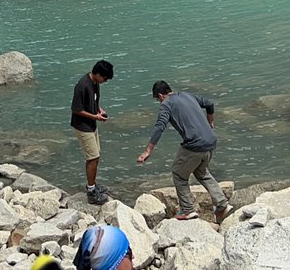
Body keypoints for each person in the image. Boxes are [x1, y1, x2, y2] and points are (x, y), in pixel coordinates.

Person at [136, 80, 231, 222]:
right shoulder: (188, 95)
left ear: (161, 95)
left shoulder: (166, 104)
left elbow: (159, 126)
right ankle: (222, 203)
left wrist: (148, 150)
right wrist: (210, 121)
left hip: (195, 145)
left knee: (179, 174)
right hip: (211, 142)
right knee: (202, 172)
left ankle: (187, 210)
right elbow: (209, 103)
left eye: (157, 99)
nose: (159, 102)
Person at [71, 60, 114, 204]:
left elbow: (92, 101)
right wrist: (95, 116)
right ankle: (91, 191)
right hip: (82, 126)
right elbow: (76, 109)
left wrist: (99, 110)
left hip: (92, 125)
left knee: (96, 156)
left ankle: (93, 185)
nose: (105, 81)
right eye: (105, 78)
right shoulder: (82, 85)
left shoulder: (95, 83)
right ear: (98, 74)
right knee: (92, 157)